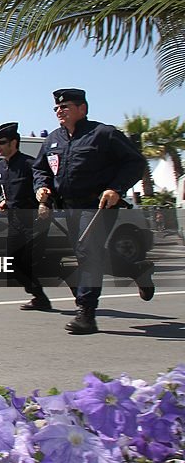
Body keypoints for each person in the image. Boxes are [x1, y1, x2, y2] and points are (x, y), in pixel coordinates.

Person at [31, 88, 155, 335]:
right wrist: (41, 187)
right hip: (67, 207)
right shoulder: (53, 139)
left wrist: (116, 189)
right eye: (56, 108)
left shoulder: (103, 134)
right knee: (90, 252)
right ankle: (136, 270)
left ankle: (86, 314)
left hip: (97, 206)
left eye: (65, 107)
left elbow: (135, 162)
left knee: (88, 253)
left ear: (82, 109)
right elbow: (40, 169)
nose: (59, 111)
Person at [0, 122, 51, 311]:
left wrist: (43, 204)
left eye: (1, 142)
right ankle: (39, 296)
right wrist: (4, 201)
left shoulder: (30, 164)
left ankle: (80, 295)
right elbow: (7, 190)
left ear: (14, 142)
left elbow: (44, 186)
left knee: (32, 262)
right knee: (13, 263)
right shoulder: (1, 166)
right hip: (15, 221)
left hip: (34, 221)